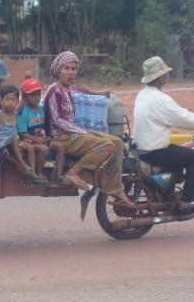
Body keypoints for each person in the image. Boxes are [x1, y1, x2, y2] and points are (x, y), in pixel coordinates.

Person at [43, 50, 133, 206]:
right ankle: (73, 173)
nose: (70, 72)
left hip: (73, 133)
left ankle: (116, 188)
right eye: (66, 68)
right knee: (107, 145)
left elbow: (81, 90)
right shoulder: (54, 91)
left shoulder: (67, 88)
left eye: (73, 69)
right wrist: (82, 131)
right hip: (61, 136)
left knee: (117, 142)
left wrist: (99, 93)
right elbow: (58, 121)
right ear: (58, 69)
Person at [133, 56, 194, 209]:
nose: (167, 76)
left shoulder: (142, 95)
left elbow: (179, 115)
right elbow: (184, 118)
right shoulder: (160, 99)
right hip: (155, 150)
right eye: (165, 73)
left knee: (180, 153)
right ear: (160, 78)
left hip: (143, 148)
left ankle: (168, 193)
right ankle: (190, 201)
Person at [17, 78, 67, 183]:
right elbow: (22, 133)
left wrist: (49, 136)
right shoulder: (23, 112)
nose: (37, 98)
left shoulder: (42, 108)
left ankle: (59, 175)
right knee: (44, 149)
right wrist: (34, 139)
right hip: (30, 141)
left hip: (43, 139)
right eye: (32, 95)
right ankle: (38, 172)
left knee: (61, 146)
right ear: (25, 97)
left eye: (38, 94)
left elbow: (48, 125)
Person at [0, 85, 46, 183]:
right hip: (5, 143)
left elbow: (23, 101)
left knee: (30, 147)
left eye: (13, 100)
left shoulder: (15, 113)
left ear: (16, 102)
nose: (10, 102)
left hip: (17, 141)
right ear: (1, 102)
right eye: (7, 100)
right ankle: (24, 166)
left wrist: (24, 138)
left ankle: (32, 172)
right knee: (12, 133)